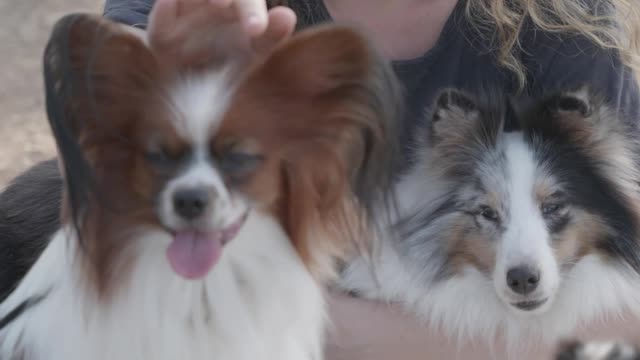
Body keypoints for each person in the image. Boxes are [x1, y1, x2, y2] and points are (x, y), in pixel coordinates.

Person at [2, 0, 640, 358]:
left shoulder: (562, 25)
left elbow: (616, 313)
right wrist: (163, 78)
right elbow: (88, 168)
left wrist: (320, 327)